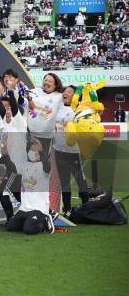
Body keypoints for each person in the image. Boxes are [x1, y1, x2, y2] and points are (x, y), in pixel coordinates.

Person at [54, 85, 89, 215]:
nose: (66, 93)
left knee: (80, 181)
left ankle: (87, 208)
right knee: (65, 182)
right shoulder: (57, 107)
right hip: (58, 151)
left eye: (69, 91)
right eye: (65, 90)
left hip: (73, 153)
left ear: (74, 96)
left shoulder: (78, 110)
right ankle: (67, 209)